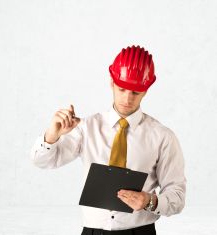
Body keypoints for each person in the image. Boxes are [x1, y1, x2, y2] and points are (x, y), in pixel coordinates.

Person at [30, 45, 186, 235]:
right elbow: (42, 161)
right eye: (122, 89)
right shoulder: (86, 128)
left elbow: (177, 195)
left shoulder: (162, 136)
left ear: (146, 90)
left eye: (135, 92)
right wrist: (52, 135)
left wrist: (149, 201)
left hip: (140, 231)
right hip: (93, 232)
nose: (128, 98)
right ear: (112, 82)